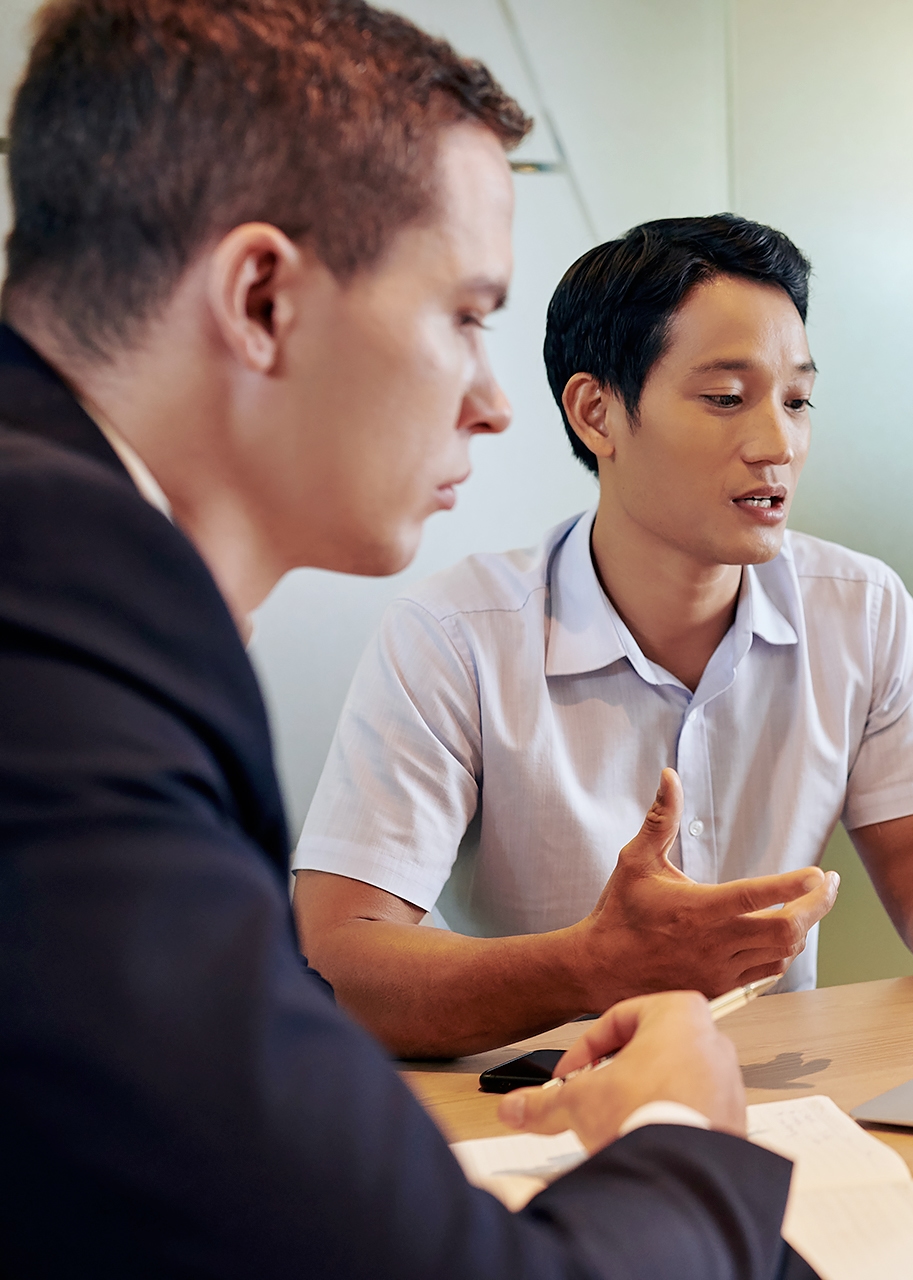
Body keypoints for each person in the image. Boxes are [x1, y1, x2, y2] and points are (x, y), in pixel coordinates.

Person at [0, 2, 804, 1275]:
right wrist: (682, 1135)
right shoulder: (57, 631)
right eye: (467, 316)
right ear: (261, 297)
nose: (494, 404)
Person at [290, 215, 913, 1059]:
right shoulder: (455, 638)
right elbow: (340, 960)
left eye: (799, 399)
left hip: (781, 1104)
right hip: (534, 1118)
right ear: (596, 413)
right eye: (725, 398)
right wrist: (589, 966)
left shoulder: (860, 611)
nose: (777, 442)